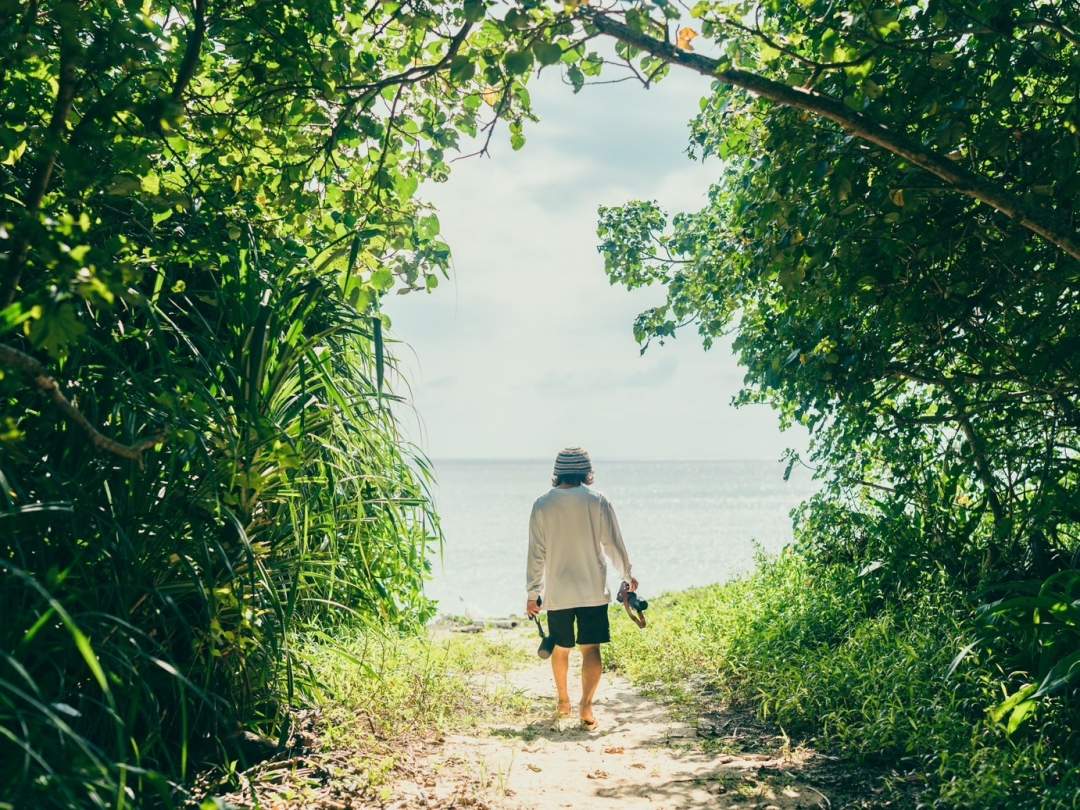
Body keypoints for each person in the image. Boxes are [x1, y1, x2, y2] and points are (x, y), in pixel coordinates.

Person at [525, 447, 637, 731]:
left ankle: (563, 700)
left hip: (558, 591)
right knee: (591, 648)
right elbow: (613, 544)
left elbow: (536, 553)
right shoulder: (597, 501)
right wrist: (627, 574)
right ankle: (586, 704)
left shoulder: (542, 505)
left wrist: (532, 593)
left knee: (561, 649)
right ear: (586, 472)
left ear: (557, 473)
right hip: (592, 589)